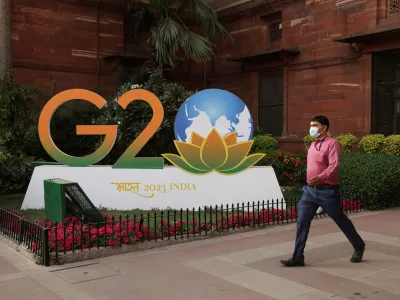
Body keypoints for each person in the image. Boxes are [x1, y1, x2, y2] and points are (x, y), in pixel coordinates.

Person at [280, 115, 365, 267]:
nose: (311, 128)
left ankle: (359, 246)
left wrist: (320, 177)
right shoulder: (313, 144)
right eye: (311, 125)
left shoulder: (332, 144)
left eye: (315, 125)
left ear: (324, 127)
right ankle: (298, 257)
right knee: (302, 222)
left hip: (327, 191)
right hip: (309, 191)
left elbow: (334, 165)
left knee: (341, 220)